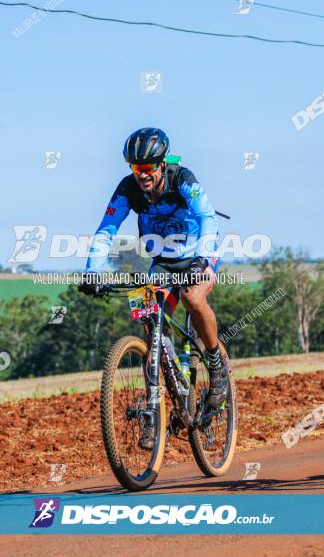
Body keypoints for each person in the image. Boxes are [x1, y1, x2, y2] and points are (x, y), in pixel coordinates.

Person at [78, 127, 227, 449]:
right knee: (149, 323)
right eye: (135, 168)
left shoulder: (182, 178)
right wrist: (92, 272)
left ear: (161, 165)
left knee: (191, 296)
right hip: (161, 260)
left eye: (147, 168)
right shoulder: (127, 189)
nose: (141, 175)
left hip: (199, 255)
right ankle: (155, 408)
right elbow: (106, 229)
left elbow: (207, 218)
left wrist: (201, 259)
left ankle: (216, 365)